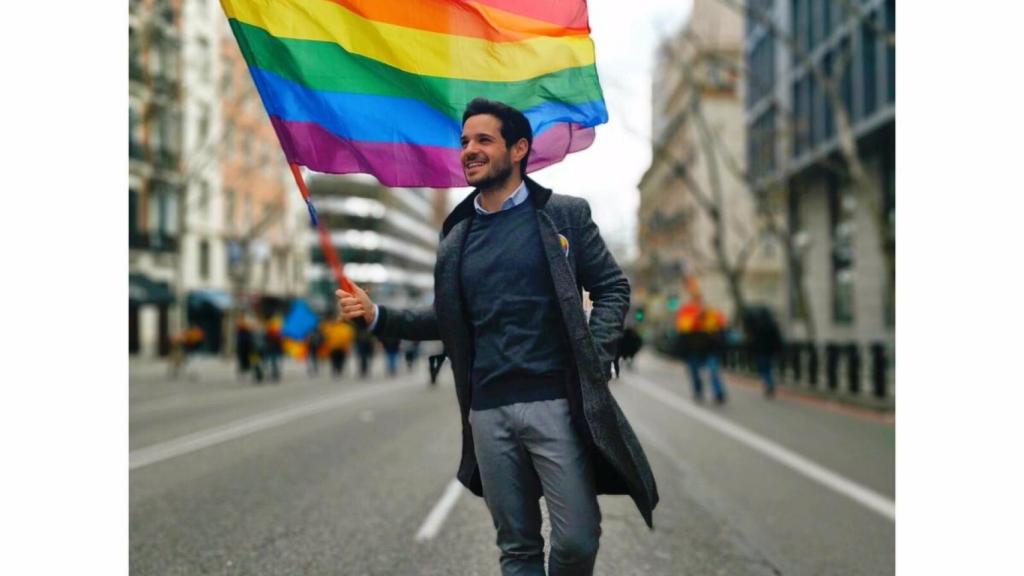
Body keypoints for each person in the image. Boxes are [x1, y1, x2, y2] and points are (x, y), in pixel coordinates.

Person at [337, 98, 658, 576]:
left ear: (519, 148)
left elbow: (612, 287)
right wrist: (378, 315)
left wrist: (595, 349)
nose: (469, 150)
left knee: (576, 539)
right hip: (487, 410)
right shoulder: (456, 238)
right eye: (465, 141)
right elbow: (445, 319)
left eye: (483, 140)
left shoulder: (564, 216)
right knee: (517, 547)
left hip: (557, 403)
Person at [675, 293, 728, 404]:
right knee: (694, 371)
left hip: (710, 348)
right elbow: (684, 326)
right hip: (693, 348)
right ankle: (698, 390)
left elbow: (720, 324)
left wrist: (707, 318)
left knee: (713, 370)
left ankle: (719, 393)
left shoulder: (710, 311)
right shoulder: (686, 311)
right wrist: (697, 318)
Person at [741, 305, 784, 397]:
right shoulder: (772, 325)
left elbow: (751, 341)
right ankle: (769, 383)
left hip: (761, 351)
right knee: (768, 368)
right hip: (769, 351)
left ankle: (768, 383)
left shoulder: (755, 327)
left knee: (763, 369)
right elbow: (778, 339)